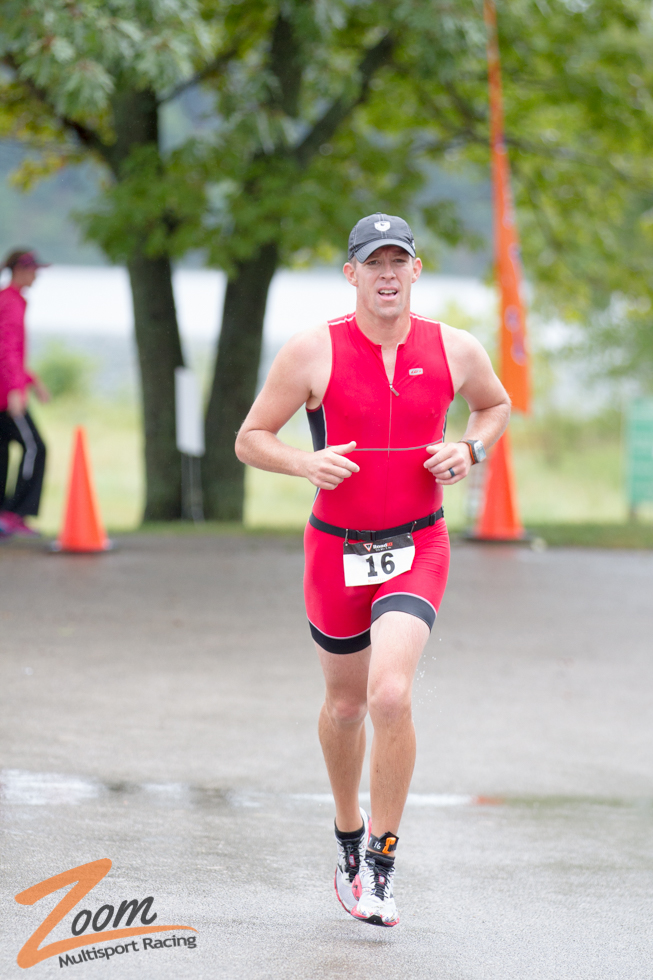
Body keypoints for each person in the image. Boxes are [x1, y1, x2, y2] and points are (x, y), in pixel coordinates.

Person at [235, 214, 511, 927]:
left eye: (399, 260)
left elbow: (494, 405)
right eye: (372, 261)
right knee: (346, 706)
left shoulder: (454, 347)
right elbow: (249, 438)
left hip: (417, 545)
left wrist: (470, 450)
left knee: (390, 695)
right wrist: (303, 461)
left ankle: (382, 866)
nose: (387, 273)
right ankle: (347, 834)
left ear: (415, 270)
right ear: (351, 273)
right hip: (335, 548)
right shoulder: (311, 351)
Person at [0, 249, 50, 537]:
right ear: (20, 269)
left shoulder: (13, 300)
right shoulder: (9, 301)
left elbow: (15, 354)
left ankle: (5, 514)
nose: (36, 275)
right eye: (33, 270)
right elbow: (5, 349)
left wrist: (34, 381)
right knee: (36, 447)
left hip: (7, 390)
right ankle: (15, 512)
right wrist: (15, 391)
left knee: (3, 451)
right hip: (7, 395)